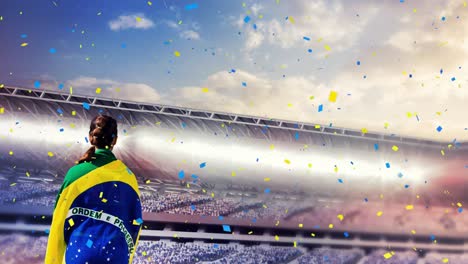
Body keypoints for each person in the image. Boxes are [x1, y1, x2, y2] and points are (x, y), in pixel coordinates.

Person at [45, 115, 143, 264]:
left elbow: (58, 223)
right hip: (116, 257)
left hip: (80, 256)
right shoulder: (129, 178)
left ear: (91, 138)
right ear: (115, 140)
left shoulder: (76, 173)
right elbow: (136, 225)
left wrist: (53, 261)